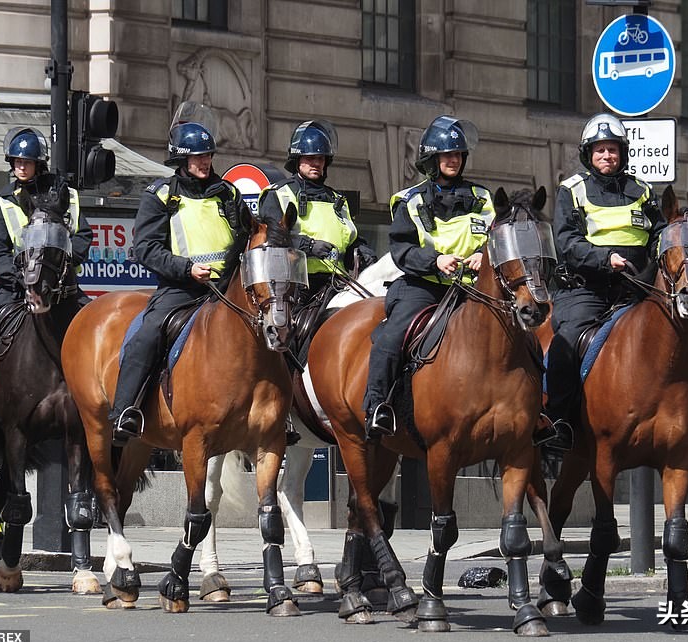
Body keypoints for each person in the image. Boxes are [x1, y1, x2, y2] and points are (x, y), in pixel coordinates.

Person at [541, 112, 688, 451]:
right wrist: (604, 259)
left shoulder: (641, 190)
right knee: (566, 340)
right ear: (589, 154)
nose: (606, 156)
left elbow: (661, 235)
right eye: (599, 150)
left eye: (612, 150)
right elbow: (566, 240)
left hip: (637, 288)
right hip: (587, 289)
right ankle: (560, 420)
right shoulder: (572, 190)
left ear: (622, 153)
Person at [109, 121, 250, 445]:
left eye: (208, 156)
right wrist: (187, 269)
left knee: (270, 330)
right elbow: (145, 248)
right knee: (148, 333)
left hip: (227, 289)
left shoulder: (227, 193)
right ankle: (125, 412)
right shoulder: (161, 195)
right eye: (197, 157)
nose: (204, 162)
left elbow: (246, 234)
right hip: (181, 289)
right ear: (181, 160)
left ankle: (277, 413)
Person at [362, 115, 495, 439]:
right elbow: (401, 249)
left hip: (473, 289)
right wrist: (436, 260)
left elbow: (497, 237)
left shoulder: (482, 197)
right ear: (432, 159)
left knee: (520, 334)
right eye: (446, 154)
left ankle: (535, 414)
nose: (453, 159)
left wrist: (484, 255)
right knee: (392, 338)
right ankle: (377, 407)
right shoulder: (410, 200)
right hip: (424, 287)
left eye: (458, 154)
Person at [0, 127, 92, 418]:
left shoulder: (67, 196)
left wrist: (61, 267)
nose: (20, 167)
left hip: (60, 286)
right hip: (15, 289)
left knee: (97, 325)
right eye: (15, 162)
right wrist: (21, 281)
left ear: (39, 163)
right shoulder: (4, 201)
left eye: (25, 162)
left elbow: (83, 235)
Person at [257, 119, 377, 329]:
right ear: (297, 158)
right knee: (299, 334)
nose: (316, 163)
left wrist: (362, 250)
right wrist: (309, 246)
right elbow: (271, 239)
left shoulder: (336, 199)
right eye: (310, 157)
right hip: (297, 290)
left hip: (338, 285)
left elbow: (350, 238)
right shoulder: (278, 194)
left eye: (320, 158)